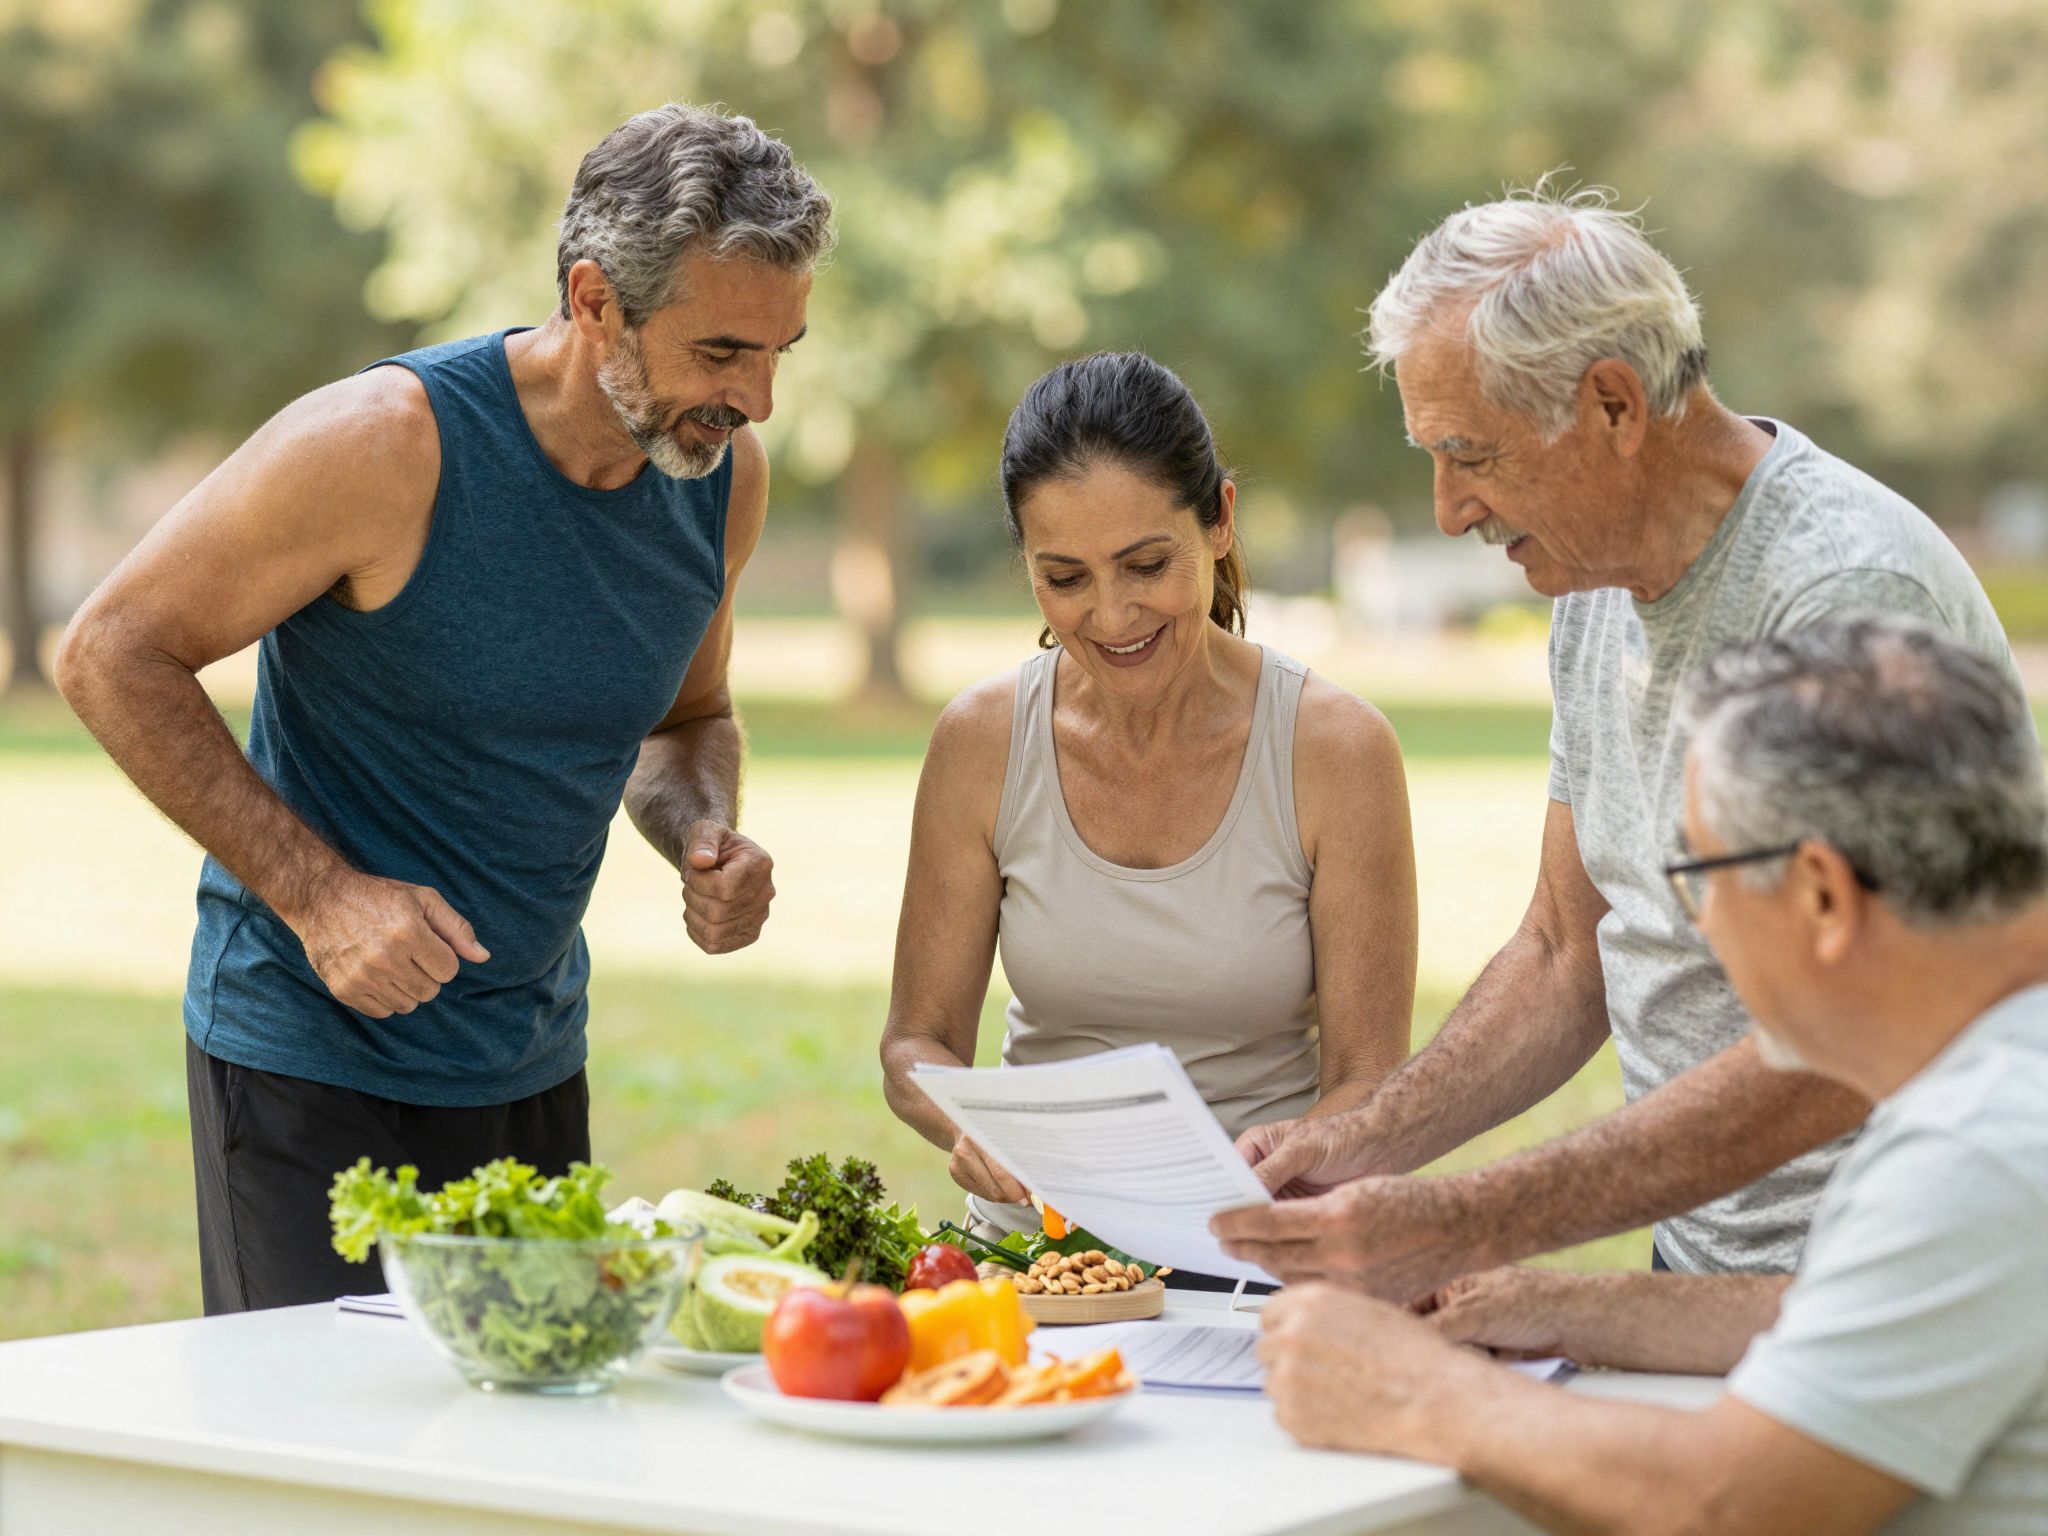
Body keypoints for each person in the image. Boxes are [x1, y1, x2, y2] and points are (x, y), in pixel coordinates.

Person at [54, 104, 832, 1313]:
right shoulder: (385, 445)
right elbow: (110, 651)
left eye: (782, 352)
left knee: (510, 1470)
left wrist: (702, 831)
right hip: (308, 1058)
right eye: (724, 352)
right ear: (592, 301)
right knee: (321, 1481)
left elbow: (687, 717)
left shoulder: (719, 478)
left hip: (528, 1059)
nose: (760, 399)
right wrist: (319, 897)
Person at [1215, 182, 2027, 1296]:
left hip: (1902, 1275)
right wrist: (1364, 1139)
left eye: (1471, 454)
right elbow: (1565, 949)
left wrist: (1468, 1220)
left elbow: (1856, 1032)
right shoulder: (1588, 580)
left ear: (1611, 405)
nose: (1449, 508)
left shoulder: (1842, 595)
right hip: (1700, 1265)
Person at [1259, 618, 2048, 1535]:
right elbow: (1877, 1313)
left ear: (1824, 896)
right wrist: (1561, 1304)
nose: (1698, 931)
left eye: (1700, 882)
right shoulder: (1993, 1072)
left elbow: (1724, 1505)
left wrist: (1408, 1391)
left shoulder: (1981, 1142)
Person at [879, 352, 1416, 1275]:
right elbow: (914, 1044)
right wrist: (965, 1122)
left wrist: (1245, 1179)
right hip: (1036, 1261)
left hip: (1256, 1253)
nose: (1112, 613)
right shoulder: (979, 741)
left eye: (1146, 564)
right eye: (1066, 577)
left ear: (1220, 522)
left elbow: (1370, 1085)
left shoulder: (1338, 752)